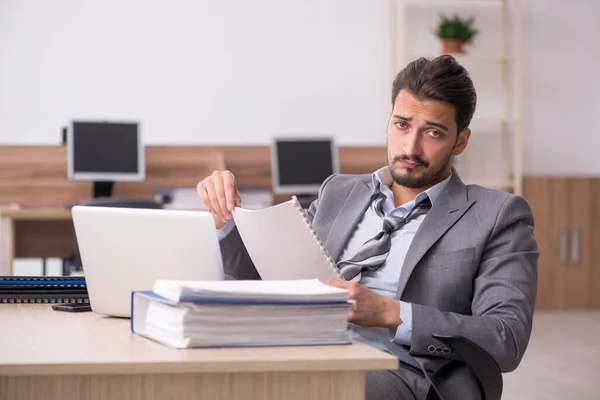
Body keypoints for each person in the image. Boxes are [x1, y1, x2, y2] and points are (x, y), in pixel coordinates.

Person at [197, 55, 539, 400]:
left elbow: (505, 337)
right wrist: (226, 217)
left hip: (406, 372)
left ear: (460, 141)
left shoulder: (497, 214)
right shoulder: (338, 191)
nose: (411, 147)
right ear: (389, 122)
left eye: (432, 133)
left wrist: (392, 313)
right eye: (402, 125)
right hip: (304, 349)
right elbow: (268, 284)